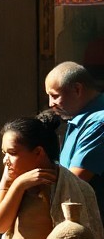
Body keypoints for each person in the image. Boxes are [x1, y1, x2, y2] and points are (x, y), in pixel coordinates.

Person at [45, 61, 104, 202]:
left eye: (54, 96)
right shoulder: (81, 119)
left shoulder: (98, 123)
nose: (50, 104)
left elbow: (73, 182)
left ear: (77, 89)